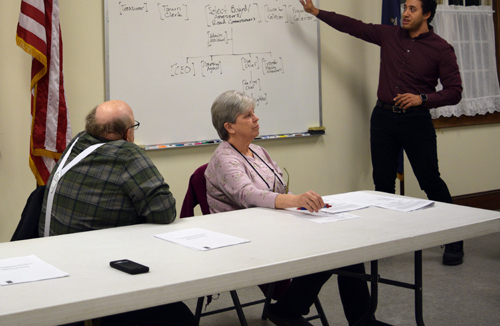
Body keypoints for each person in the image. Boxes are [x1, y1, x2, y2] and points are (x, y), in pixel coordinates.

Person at [298, 0, 464, 266]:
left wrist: (422, 98)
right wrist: (316, 12)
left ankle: (455, 239)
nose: (406, 13)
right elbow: (354, 27)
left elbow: (455, 91)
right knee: (382, 182)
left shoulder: (440, 48)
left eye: (413, 9)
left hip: (416, 120)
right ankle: (386, 238)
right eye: (405, 8)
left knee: (430, 181)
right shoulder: (390, 35)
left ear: (427, 14)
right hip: (384, 118)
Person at [205, 90, 379, 326]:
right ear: (230, 126)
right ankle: (289, 309)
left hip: (272, 224)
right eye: (247, 115)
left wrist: (301, 203)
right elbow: (248, 194)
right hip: (243, 235)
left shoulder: (258, 151)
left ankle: (360, 320)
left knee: (347, 248)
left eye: (254, 113)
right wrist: (296, 200)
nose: (256, 118)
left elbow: (278, 188)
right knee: (331, 248)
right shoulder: (224, 158)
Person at [39, 100, 194, 326]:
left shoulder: (78, 142)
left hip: (59, 259)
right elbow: (165, 211)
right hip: (98, 274)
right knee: (182, 319)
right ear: (127, 133)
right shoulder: (127, 154)